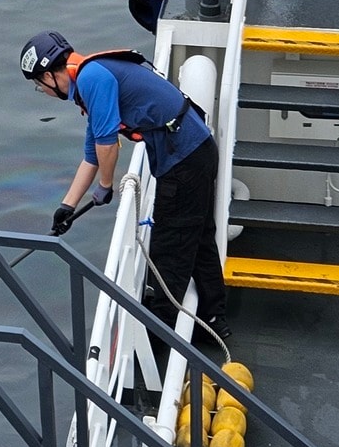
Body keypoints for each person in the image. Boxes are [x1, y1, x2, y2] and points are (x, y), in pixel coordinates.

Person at [19, 30, 230, 340]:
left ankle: (158, 334)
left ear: (50, 75)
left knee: (169, 247)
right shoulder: (91, 78)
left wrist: (106, 186)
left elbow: (107, 144)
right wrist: (67, 207)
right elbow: (92, 155)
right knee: (198, 238)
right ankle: (214, 318)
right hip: (195, 151)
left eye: (39, 85)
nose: (43, 91)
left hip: (184, 161)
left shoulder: (92, 80)